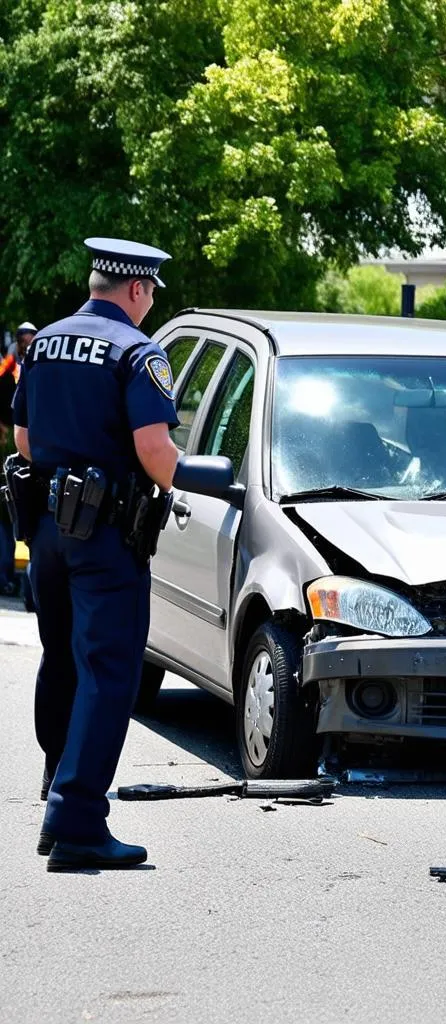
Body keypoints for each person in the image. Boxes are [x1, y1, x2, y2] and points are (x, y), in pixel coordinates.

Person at [14, 238, 180, 871]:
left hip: (49, 533)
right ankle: (79, 821)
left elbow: (26, 442)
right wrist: (185, 480)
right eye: (150, 295)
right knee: (110, 674)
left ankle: (56, 798)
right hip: (106, 536)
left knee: (62, 662)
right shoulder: (138, 352)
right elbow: (155, 451)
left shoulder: (46, 342)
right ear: (137, 290)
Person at [0, 323, 37, 595]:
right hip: (10, 446)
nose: (27, 342)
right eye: (25, 338)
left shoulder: (32, 365)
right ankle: (7, 576)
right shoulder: (10, 366)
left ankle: (15, 578)